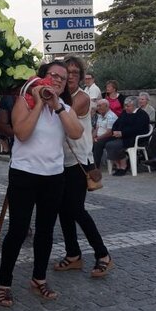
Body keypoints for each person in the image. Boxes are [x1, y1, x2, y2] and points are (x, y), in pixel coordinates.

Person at [0, 62, 83, 308]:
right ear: (42, 77)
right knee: (18, 230)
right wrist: (38, 103)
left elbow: (76, 133)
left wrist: (57, 106)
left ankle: (39, 278)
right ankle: (4, 284)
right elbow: (22, 133)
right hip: (24, 174)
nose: (58, 81)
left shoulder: (64, 107)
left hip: (53, 176)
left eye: (63, 79)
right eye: (54, 75)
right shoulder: (24, 102)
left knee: (45, 231)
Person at [54, 57, 113, 278]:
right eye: (67, 72)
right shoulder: (60, 97)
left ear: (80, 76)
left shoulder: (82, 98)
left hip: (79, 161)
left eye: (75, 73)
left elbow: (61, 116)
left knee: (76, 209)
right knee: (63, 210)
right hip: (60, 160)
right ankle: (73, 255)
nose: (70, 76)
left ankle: (103, 254)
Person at [105, 97, 151, 176]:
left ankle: (123, 166)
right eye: (125, 106)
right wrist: (115, 131)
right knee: (107, 143)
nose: (126, 108)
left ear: (135, 106)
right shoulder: (124, 113)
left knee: (114, 145)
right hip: (122, 136)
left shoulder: (142, 115)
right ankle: (118, 165)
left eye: (128, 106)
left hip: (135, 138)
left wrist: (122, 133)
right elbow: (116, 124)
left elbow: (137, 129)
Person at [92, 99, 118, 168]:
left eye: (100, 106)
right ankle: (89, 165)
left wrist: (97, 138)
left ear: (106, 106)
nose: (98, 108)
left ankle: (95, 167)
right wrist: (92, 138)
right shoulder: (100, 116)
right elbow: (96, 129)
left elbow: (110, 132)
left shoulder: (111, 116)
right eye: (97, 106)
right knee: (89, 142)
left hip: (110, 137)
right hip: (101, 137)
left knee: (97, 143)